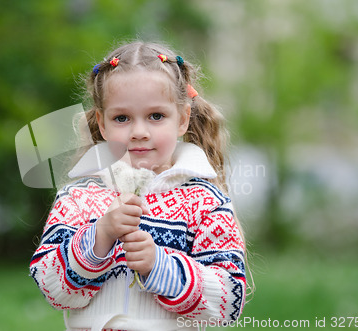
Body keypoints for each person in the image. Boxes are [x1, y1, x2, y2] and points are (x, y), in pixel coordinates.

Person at [30, 41, 247, 331]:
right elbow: (51, 286)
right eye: (122, 118)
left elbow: (228, 301)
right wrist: (99, 237)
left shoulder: (204, 202)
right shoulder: (80, 197)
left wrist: (160, 266)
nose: (139, 132)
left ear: (182, 118)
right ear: (102, 123)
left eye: (156, 116)